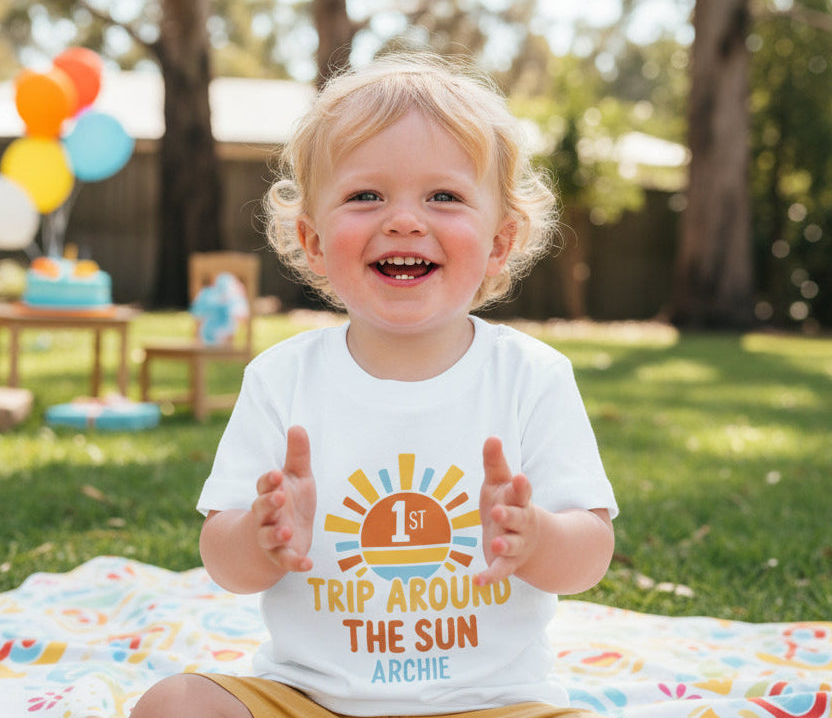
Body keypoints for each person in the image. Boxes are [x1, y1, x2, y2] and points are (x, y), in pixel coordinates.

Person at [133, 54, 618, 718]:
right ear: (313, 240)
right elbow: (223, 560)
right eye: (366, 196)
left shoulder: (531, 377)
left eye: (443, 196)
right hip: (309, 699)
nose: (404, 221)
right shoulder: (280, 379)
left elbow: (590, 555)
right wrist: (261, 536)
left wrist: (535, 537)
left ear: (500, 242)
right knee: (174, 704)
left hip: (491, 704)